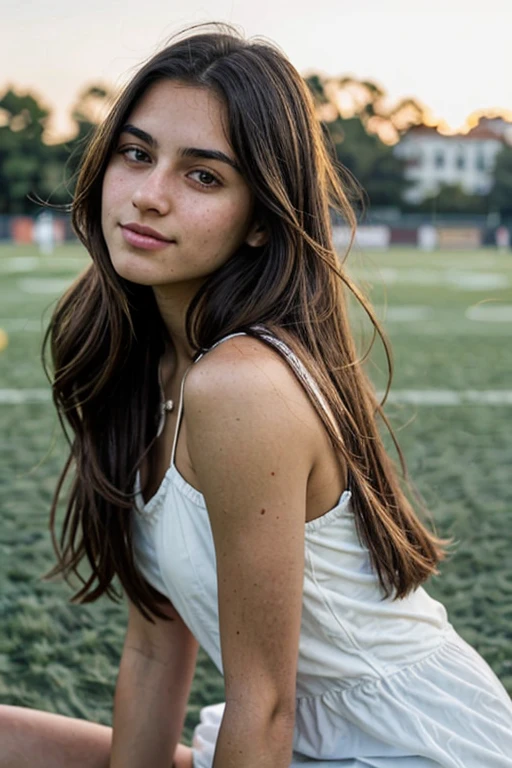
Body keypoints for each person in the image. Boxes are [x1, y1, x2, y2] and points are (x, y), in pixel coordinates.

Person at [1, 22, 511, 768]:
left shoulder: (242, 385)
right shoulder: (142, 365)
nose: (148, 195)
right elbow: (152, 646)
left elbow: (264, 705)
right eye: (136, 154)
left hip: (405, 747)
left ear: (259, 223)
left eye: (202, 176)